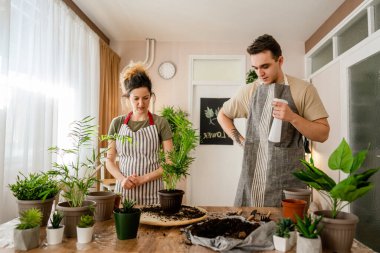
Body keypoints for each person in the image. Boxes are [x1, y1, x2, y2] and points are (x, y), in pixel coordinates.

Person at [217, 34, 330, 207]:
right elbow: (222, 115)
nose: (260, 73)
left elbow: (323, 133)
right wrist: (241, 141)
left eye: (265, 66)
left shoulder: (303, 89)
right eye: (255, 68)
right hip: (252, 179)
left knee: (286, 231)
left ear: (280, 61)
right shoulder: (249, 92)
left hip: (289, 181)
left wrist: (292, 117)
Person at [106, 62, 173, 205]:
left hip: (153, 194)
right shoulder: (117, 124)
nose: (141, 104)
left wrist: (143, 179)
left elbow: (170, 163)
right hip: (124, 193)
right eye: (136, 98)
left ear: (151, 96)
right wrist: (122, 179)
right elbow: (109, 161)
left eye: (145, 98)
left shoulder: (161, 123)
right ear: (127, 98)